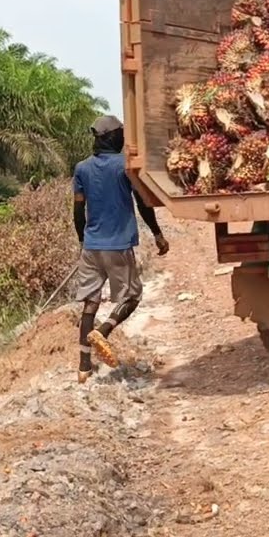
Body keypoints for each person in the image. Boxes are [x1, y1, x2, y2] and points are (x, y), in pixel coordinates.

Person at [72, 114, 170, 383]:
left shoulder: (81, 169)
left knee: (90, 304)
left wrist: (82, 240)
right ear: (114, 137)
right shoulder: (125, 168)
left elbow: (78, 210)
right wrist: (158, 235)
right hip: (118, 246)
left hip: (91, 247)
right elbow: (143, 204)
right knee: (132, 297)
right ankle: (103, 331)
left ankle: (83, 368)